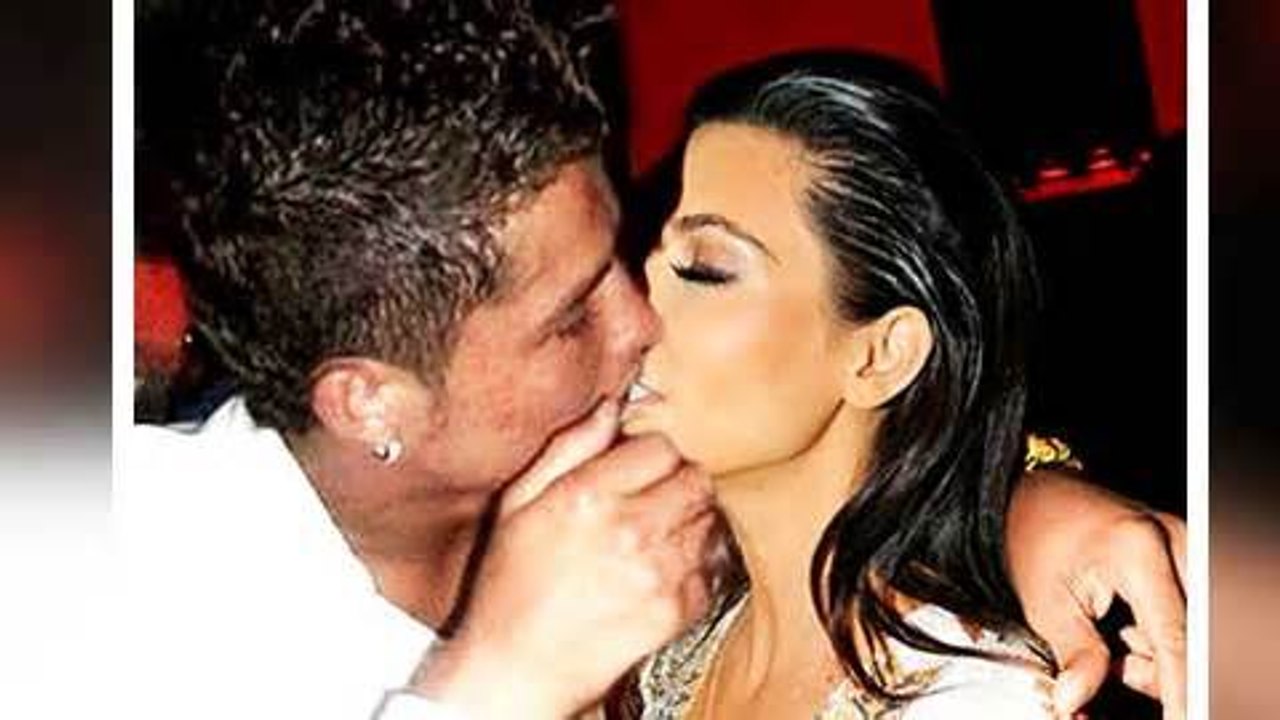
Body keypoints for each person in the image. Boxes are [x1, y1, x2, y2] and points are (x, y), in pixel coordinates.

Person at [125, 2, 1185, 719]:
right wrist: (498, 684)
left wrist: (1016, 501)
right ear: (369, 403)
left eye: (671, 262)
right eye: (570, 315)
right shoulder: (113, 594)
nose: (640, 322)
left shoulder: (649, 510)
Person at [611, 51, 1168, 719]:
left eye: (703, 270)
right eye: (642, 261)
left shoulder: (981, 700)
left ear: (882, 355)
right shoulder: (674, 645)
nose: (629, 312)